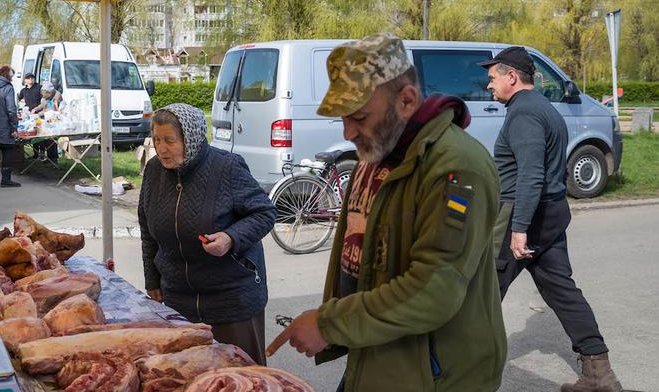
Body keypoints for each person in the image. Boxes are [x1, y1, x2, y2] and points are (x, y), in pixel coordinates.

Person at [268, 34, 505, 391]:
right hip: (376, 356)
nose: (349, 132)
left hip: (433, 377)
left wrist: (329, 324)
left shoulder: (457, 167)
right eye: (343, 119)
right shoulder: (378, 151)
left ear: (407, 100)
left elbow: (432, 291)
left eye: (359, 117)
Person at [481, 47, 622, 392]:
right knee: (562, 290)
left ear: (511, 77)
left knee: (482, 292)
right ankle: (599, 374)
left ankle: (465, 373)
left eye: (492, 78)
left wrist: (518, 231)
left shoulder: (524, 115)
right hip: (551, 213)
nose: (489, 86)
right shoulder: (545, 108)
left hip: (522, 215)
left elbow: (530, 175)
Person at [138, 103, 275, 364]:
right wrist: (153, 281)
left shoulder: (227, 167)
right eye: (157, 140)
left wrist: (231, 238)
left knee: (240, 376)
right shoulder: (154, 171)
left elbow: (264, 213)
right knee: (190, 376)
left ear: (191, 138)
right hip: (179, 301)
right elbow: (147, 230)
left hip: (232, 302)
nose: (161, 148)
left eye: (170, 140)